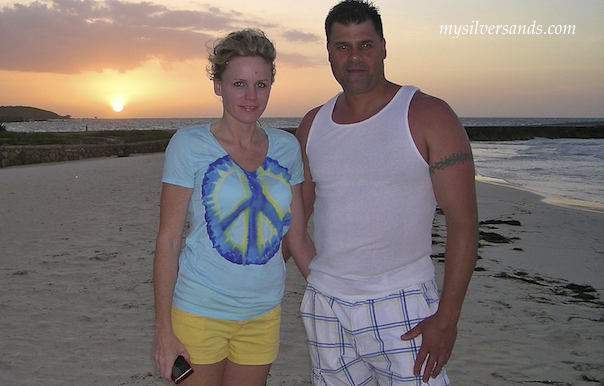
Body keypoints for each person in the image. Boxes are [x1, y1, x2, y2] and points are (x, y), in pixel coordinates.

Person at [295, 1, 478, 385]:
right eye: (343, 46)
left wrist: (447, 317)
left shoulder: (428, 115)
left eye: (365, 44)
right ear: (328, 52)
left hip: (404, 307)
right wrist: (315, 281)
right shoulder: (313, 124)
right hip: (326, 309)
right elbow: (298, 217)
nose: (355, 56)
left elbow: (463, 224)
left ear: (383, 47)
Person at [152, 29, 314, 386]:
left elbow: (298, 237)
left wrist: (336, 294)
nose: (251, 96)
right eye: (239, 83)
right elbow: (167, 240)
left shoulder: (287, 149)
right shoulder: (188, 145)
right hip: (199, 311)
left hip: (264, 313)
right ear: (218, 86)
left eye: (261, 84)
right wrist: (163, 331)